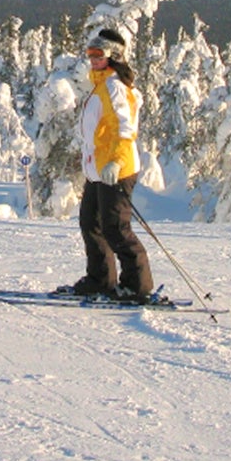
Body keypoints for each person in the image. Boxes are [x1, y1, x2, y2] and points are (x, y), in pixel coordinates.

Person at [73, 27, 155, 303]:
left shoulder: (114, 87)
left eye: (99, 53)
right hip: (98, 169)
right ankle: (100, 280)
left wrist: (116, 162)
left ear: (114, 56)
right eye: (90, 53)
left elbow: (125, 129)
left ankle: (137, 286)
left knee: (115, 228)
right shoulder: (101, 83)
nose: (92, 58)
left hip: (116, 169)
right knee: (90, 224)